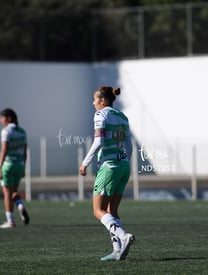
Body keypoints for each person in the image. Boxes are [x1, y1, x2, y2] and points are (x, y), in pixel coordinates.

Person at [79, 86, 135, 261]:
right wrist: (125, 162)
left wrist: (84, 162)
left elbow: (98, 142)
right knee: (112, 210)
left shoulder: (101, 114)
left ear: (102, 101)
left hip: (109, 166)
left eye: (95, 100)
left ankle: (123, 236)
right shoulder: (123, 117)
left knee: (98, 210)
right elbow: (130, 145)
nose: (93, 103)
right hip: (123, 166)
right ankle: (117, 250)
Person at [0, 108, 30, 229]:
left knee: (7, 192)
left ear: (9, 118)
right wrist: (24, 167)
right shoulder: (22, 131)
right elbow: (25, 152)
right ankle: (20, 205)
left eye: (2, 118)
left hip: (9, 164)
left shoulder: (6, 131)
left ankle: (10, 221)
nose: (1, 120)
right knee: (14, 191)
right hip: (20, 164)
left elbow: (4, 149)